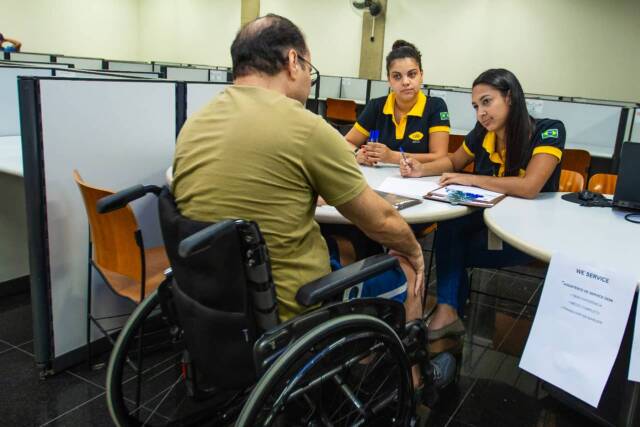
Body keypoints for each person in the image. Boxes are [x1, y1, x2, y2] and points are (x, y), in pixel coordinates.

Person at [172, 13, 454, 394]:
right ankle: (412, 379)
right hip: (287, 306)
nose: (308, 78)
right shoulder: (303, 126)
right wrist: (415, 251)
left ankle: (366, 355)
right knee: (403, 261)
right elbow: (381, 221)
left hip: (210, 298)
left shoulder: (195, 123)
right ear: (293, 61)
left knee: (342, 246)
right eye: (309, 67)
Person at [400, 68, 565, 340]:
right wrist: (422, 169)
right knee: (450, 228)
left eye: (487, 102)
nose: (481, 113)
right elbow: (454, 162)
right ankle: (448, 314)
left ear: (510, 97)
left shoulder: (548, 130)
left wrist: (472, 179)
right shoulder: (482, 132)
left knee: (452, 252)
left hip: (525, 236)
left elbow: (529, 187)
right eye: (476, 106)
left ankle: (449, 313)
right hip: (489, 225)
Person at [345, 40, 450, 166]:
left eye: (412, 74)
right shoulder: (376, 106)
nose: (406, 82)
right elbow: (346, 142)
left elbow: (440, 157)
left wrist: (393, 157)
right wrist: (357, 153)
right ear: (389, 80)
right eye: (397, 76)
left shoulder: (436, 106)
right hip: (377, 180)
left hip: (421, 182)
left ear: (421, 75)